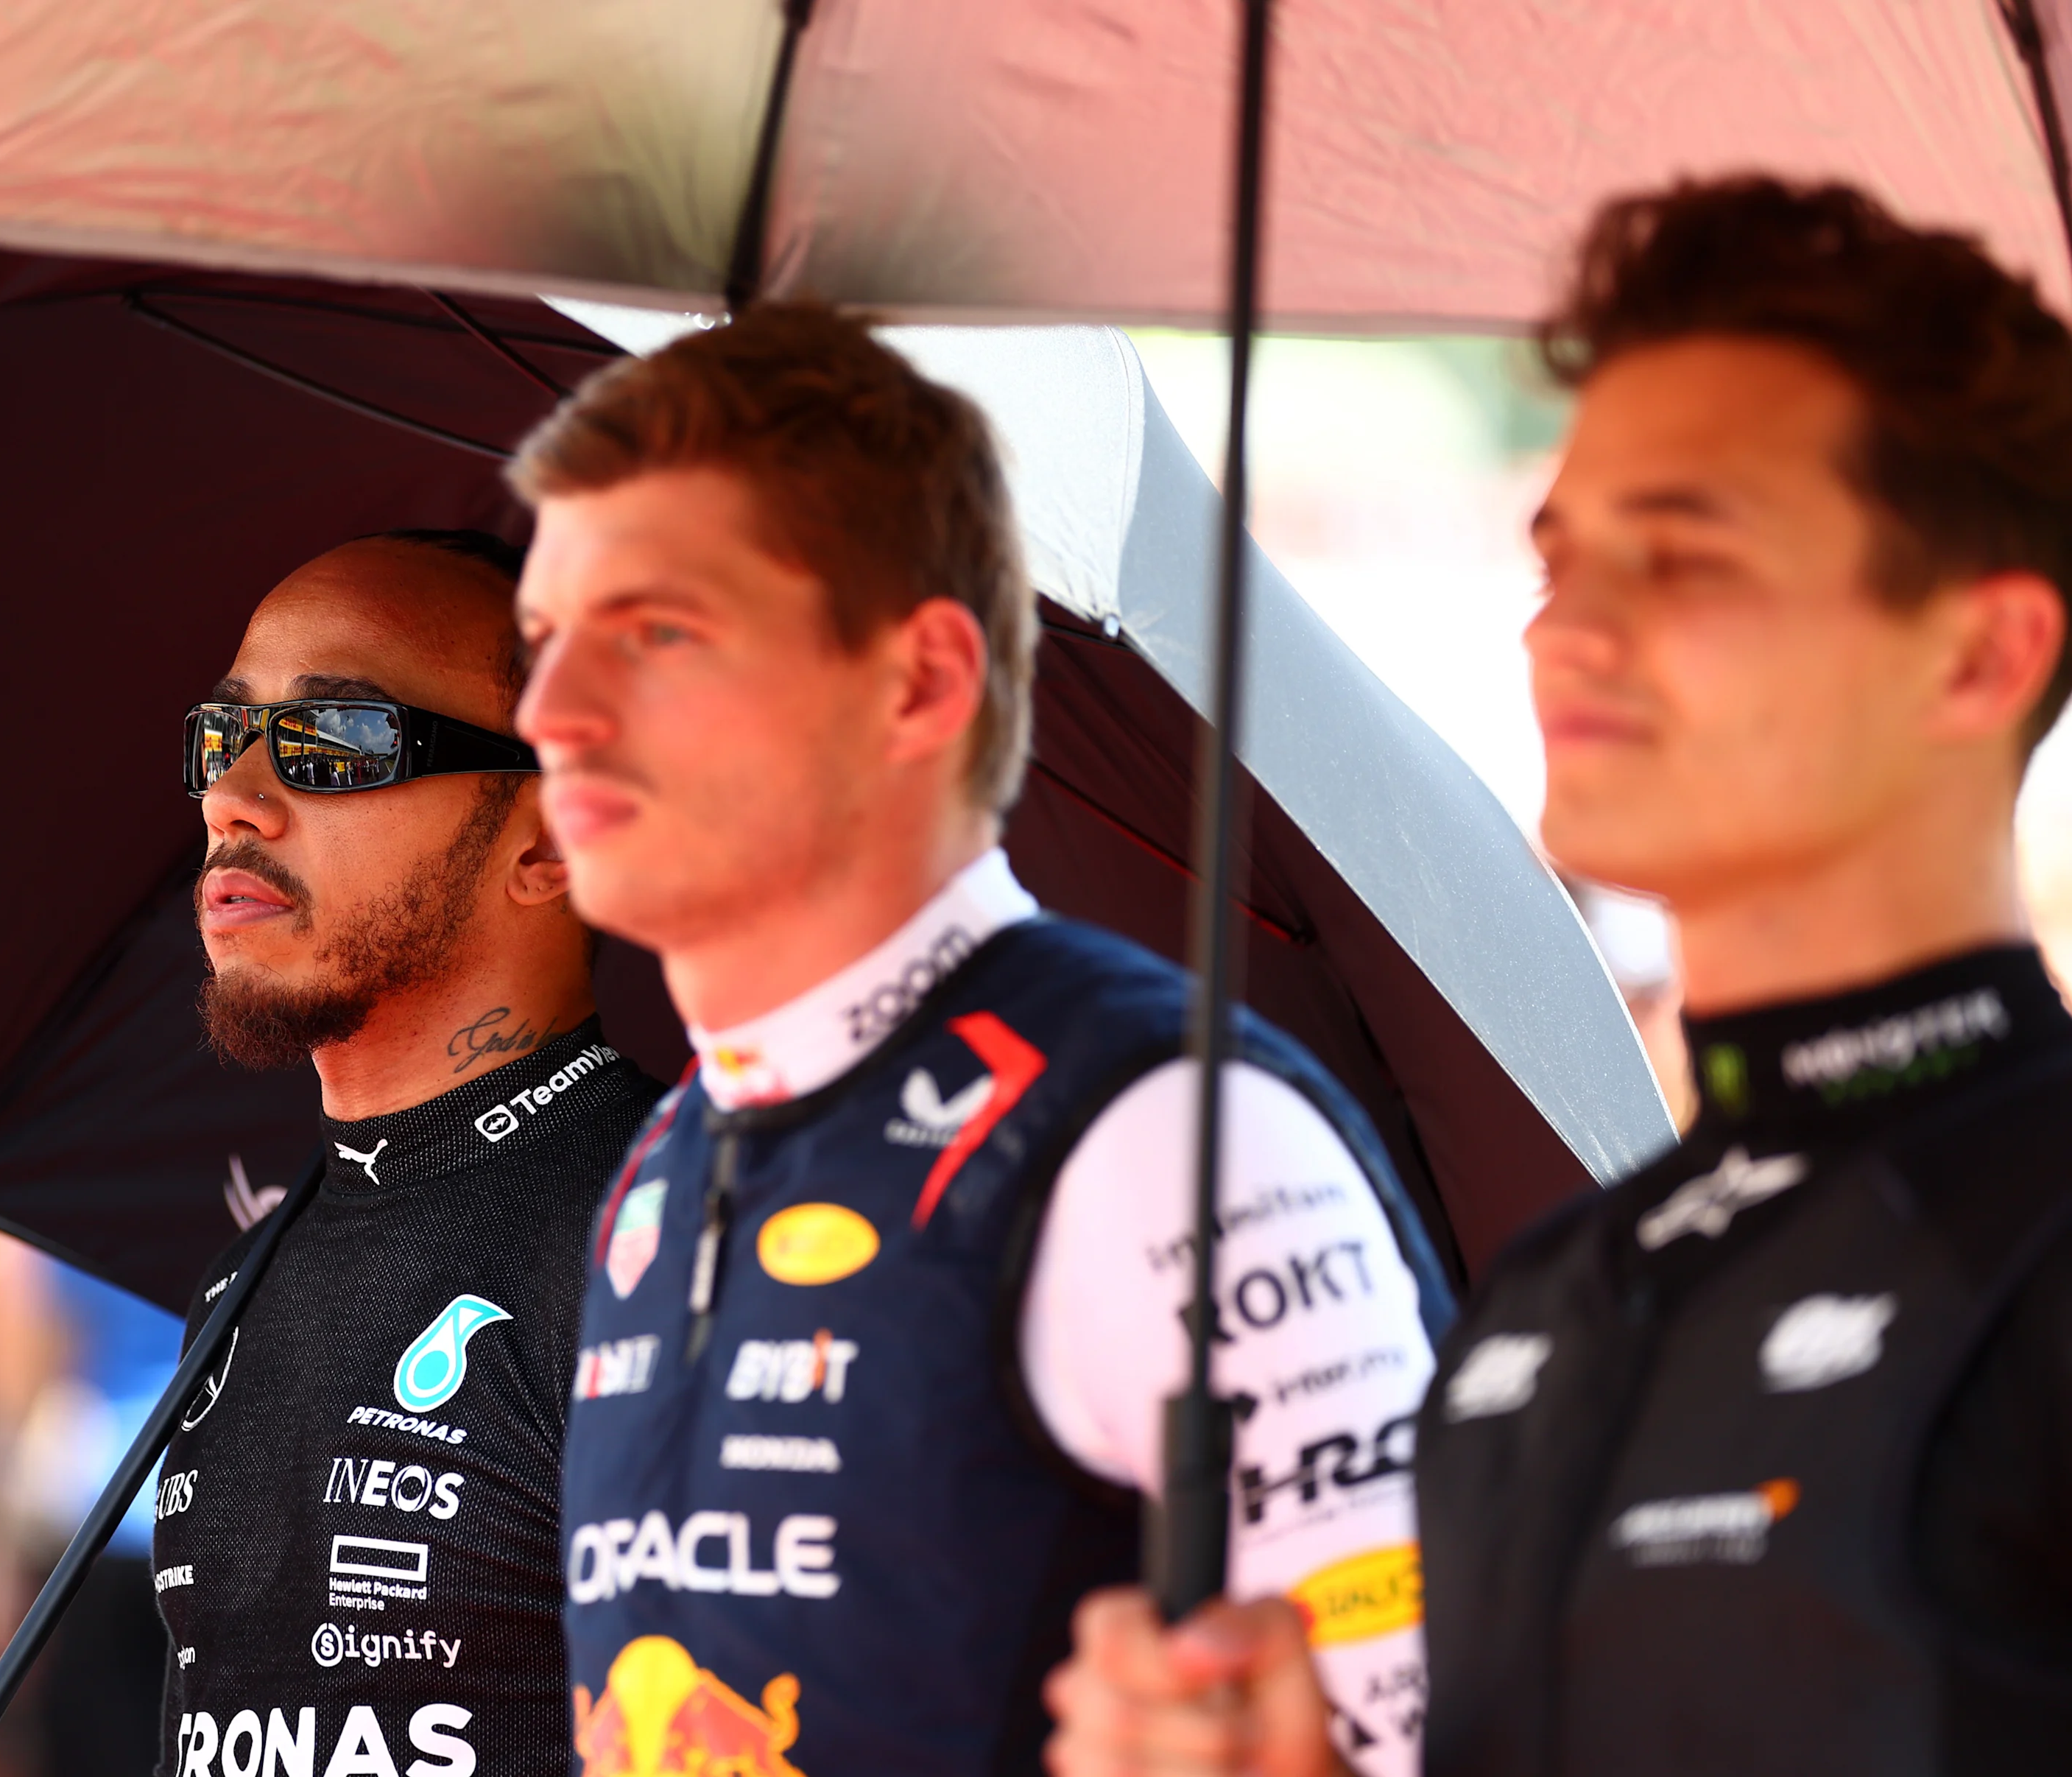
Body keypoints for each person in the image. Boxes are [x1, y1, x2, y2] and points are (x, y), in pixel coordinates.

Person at [1044, 175, 2072, 1776]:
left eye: (1682, 559)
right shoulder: (1550, 1289)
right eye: (1559, 555)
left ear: (1980, 653)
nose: (1567, 632)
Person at [509, 306, 1450, 1777]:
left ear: (919, 683)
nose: (549, 713)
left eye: (657, 633)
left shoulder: (1162, 1134)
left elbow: (1418, 1735)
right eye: (543, 638)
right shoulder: (661, 1154)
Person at [151, 531, 664, 1777]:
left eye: (335, 742)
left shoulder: (674, 1238)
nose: (236, 793)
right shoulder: (244, 1276)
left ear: (549, 839)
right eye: (224, 736)